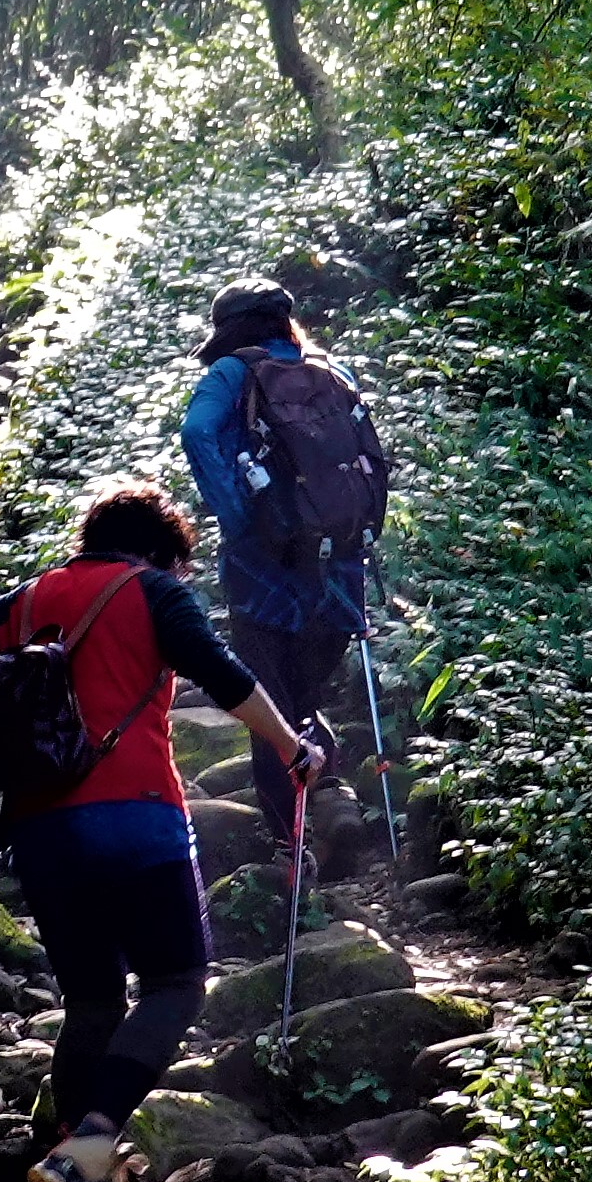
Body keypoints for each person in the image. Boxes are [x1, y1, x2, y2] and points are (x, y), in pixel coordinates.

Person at [0, 485, 326, 1182]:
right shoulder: (154, 591)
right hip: (136, 816)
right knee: (177, 985)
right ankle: (92, 1144)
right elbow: (224, 674)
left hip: (40, 828)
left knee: (93, 1003)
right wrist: (292, 748)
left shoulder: (33, 597)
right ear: (162, 554)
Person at [178, 282, 383, 868]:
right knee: (302, 694)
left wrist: (236, 513)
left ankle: (288, 847)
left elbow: (197, 432)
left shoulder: (231, 374)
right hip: (338, 569)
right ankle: (330, 794)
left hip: (262, 570)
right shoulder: (332, 372)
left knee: (268, 707)